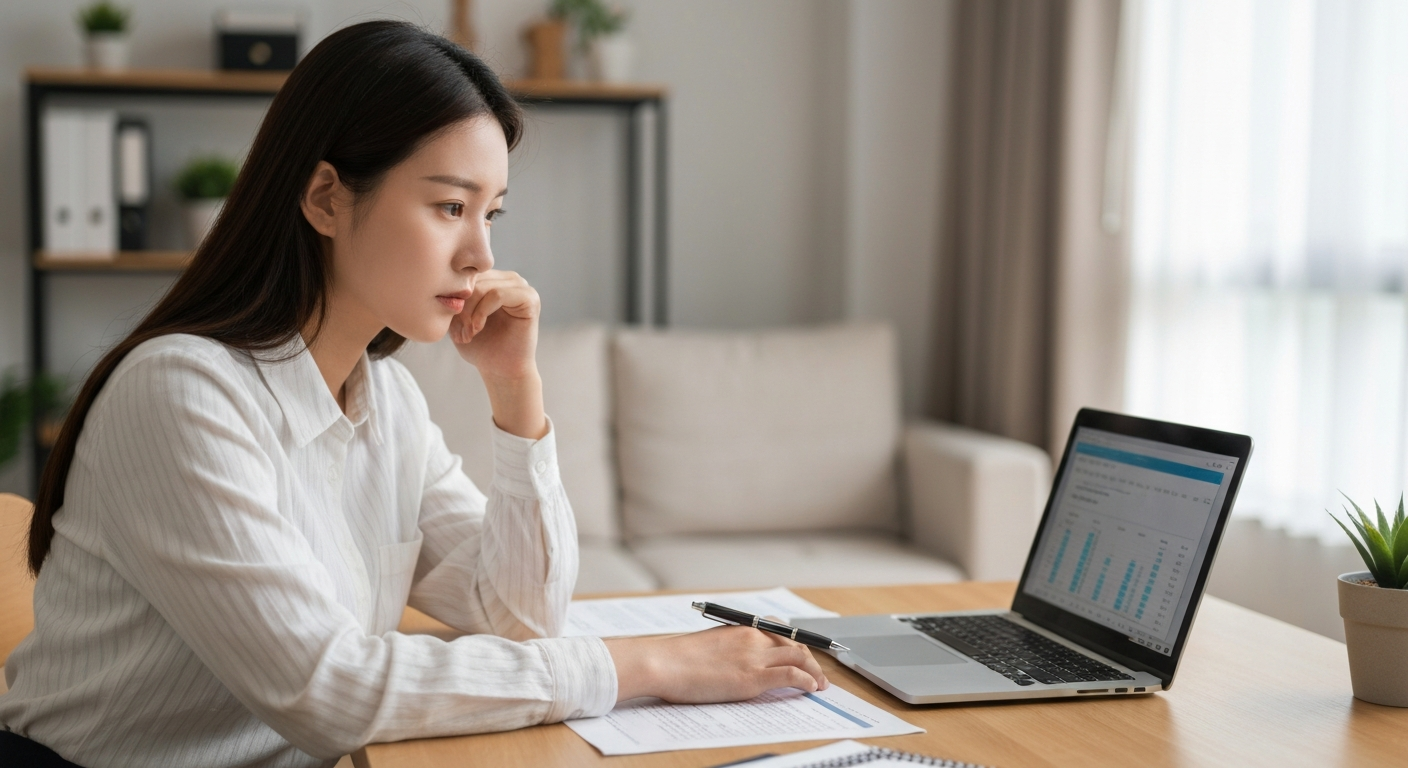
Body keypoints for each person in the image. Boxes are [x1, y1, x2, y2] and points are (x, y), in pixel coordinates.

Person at [0, 20, 827, 768]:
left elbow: (519, 616)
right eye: (448, 206)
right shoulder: (180, 395)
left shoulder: (385, 399)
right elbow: (330, 689)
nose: (480, 252)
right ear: (326, 197)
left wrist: (516, 394)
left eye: (491, 212)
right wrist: (654, 663)